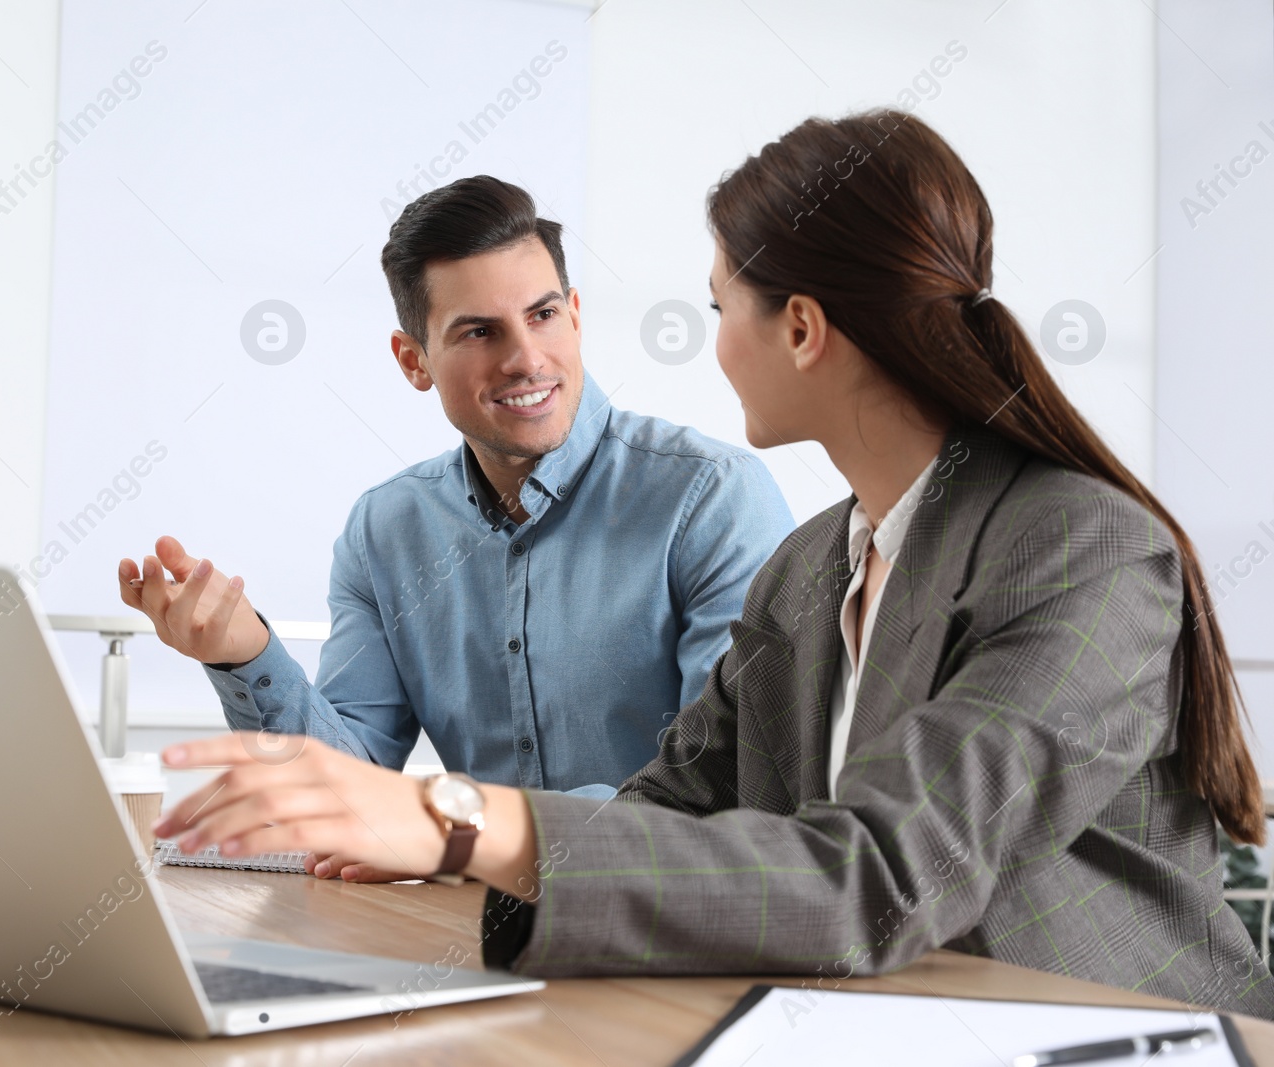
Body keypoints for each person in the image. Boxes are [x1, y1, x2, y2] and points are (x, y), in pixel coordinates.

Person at [148, 110, 1274, 1017]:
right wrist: (441, 846)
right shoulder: (807, 570)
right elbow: (671, 811)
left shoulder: (1084, 549)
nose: (710, 339)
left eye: (717, 305)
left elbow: (877, 877)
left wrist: (451, 817)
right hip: (873, 1020)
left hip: (1111, 1032)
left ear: (799, 329)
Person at [120, 176, 795, 879]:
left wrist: (458, 825)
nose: (527, 358)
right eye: (480, 331)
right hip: (469, 938)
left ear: (576, 317)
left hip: (663, 938)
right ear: (414, 360)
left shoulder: (711, 499)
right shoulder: (385, 531)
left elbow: (723, 795)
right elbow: (351, 797)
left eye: (542, 316)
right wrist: (245, 653)